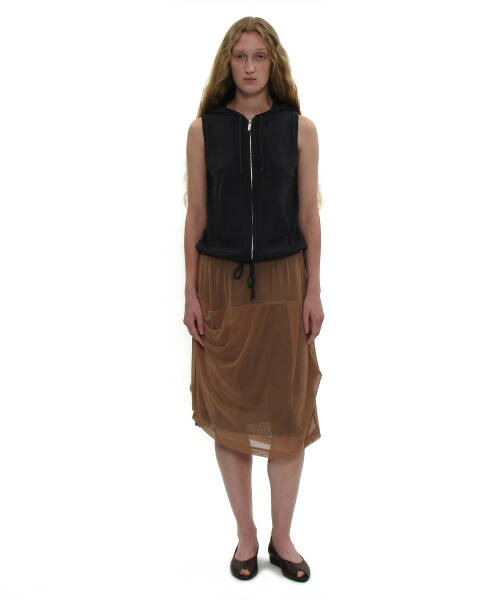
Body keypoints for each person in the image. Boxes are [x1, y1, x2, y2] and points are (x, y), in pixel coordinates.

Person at [183, 16, 324, 582]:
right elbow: (196, 214)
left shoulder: (300, 129)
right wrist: (190, 290)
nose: (248, 66)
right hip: (220, 281)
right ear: (228, 62)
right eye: (239, 56)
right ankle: (246, 535)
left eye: (258, 56)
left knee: (288, 410)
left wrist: (314, 288)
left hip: (285, 280)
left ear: (273, 63)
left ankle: (281, 538)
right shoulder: (203, 130)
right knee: (230, 412)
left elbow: (309, 214)